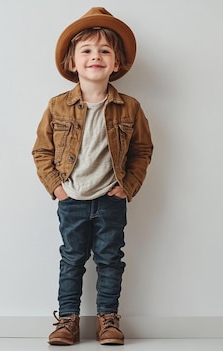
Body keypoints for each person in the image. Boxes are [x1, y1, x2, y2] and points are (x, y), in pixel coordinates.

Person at [32, 7, 153, 346]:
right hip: (71, 199)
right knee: (71, 259)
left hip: (110, 200)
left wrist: (127, 187)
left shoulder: (129, 107)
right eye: (86, 50)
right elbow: (41, 151)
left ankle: (108, 320)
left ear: (117, 63)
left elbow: (142, 150)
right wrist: (56, 187)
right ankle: (67, 321)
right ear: (72, 62)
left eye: (104, 51)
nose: (95, 56)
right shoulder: (58, 106)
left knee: (110, 259)